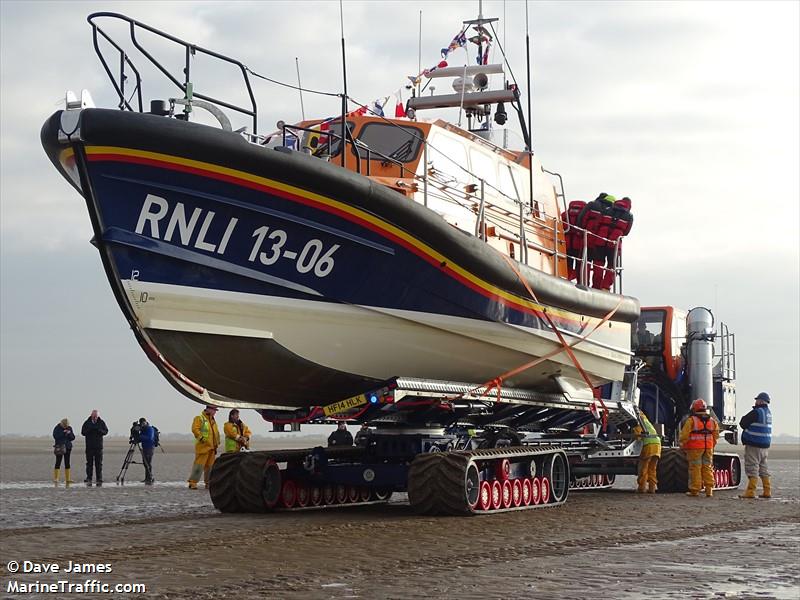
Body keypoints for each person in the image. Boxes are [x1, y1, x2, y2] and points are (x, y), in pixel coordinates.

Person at [679, 398, 719, 497]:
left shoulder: (691, 420)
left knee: (695, 468)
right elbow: (716, 434)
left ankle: (695, 490)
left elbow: (684, 435)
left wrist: (682, 444)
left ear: (694, 408)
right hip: (708, 448)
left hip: (695, 448)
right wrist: (712, 444)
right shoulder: (712, 421)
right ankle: (709, 490)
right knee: (708, 467)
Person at [576, 193, 615, 288]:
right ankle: (597, 286)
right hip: (601, 241)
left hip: (587, 237)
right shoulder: (611, 211)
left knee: (585, 261)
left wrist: (580, 232)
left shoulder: (591, 205)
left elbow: (581, 218)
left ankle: (584, 283)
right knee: (599, 264)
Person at [739, 392, 772, 499]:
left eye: (757, 400)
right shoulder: (768, 413)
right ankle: (767, 491)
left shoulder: (757, 412)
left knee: (752, 467)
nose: (756, 401)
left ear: (761, 401)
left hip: (754, 444)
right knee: (763, 469)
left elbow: (743, 423)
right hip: (765, 446)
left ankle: (750, 492)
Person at [188, 405, 220, 489]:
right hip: (203, 447)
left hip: (212, 448)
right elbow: (195, 429)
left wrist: (216, 444)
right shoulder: (199, 418)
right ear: (209, 409)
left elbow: (215, 433)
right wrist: (201, 438)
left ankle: (208, 483)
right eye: (214, 410)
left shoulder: (212, 420)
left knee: (210, 467)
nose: (215, 412)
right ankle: (193, 483)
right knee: (199, 466)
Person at [632, 411, 661, 493]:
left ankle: (642, 488)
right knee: (652, 468)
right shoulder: (645, 420)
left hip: (648, 445)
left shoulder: (638, 421)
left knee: (643, 467)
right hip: (657, 445)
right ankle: (652, 488)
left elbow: (637, 437)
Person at [560, 200, 587, 282]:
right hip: (579, 244)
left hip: (566, 243)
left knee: (568, 264)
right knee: (580, 265)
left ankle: (567, 279)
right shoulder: (584, 215)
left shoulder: (565, 214)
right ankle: (580, 282)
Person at [81, 409, 108, 485]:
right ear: (91, 415)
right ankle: (89, 477)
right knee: (89, 463)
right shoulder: (87, 422)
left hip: (98, 446)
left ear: (98, 416)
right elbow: (83, 432)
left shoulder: (101, 422)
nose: (95, 417)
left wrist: (99, 430)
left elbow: (106, 431)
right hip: (89, 446)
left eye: (96, 416)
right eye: (93, 416)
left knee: (98, 464)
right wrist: (90, 430)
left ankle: (99, 478)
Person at [52, 418, 76, 484]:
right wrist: (63, 433)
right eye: (64, 426)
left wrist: (69, 433)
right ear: (61, 424)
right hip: (59, 447)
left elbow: (73, 438)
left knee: (67, 462)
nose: (65, 427)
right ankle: (56, 478)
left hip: (68, 447)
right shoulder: (57, 428)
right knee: (58, 462)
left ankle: (68, 479)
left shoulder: (69, 428)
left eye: (66, 426)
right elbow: (55, 436)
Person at [138, 417, 156, 485]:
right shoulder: (143, 429)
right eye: (141, 424)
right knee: (145, 463)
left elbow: (149, 438)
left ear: (146, 422)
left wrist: (140, 436)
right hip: (145, 447)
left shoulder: (149, 429)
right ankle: (147, 478)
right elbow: (141, 438)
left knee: (148, 463)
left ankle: (150, 478)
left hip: (149, 448)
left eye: (143, 423)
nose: (142, 425)